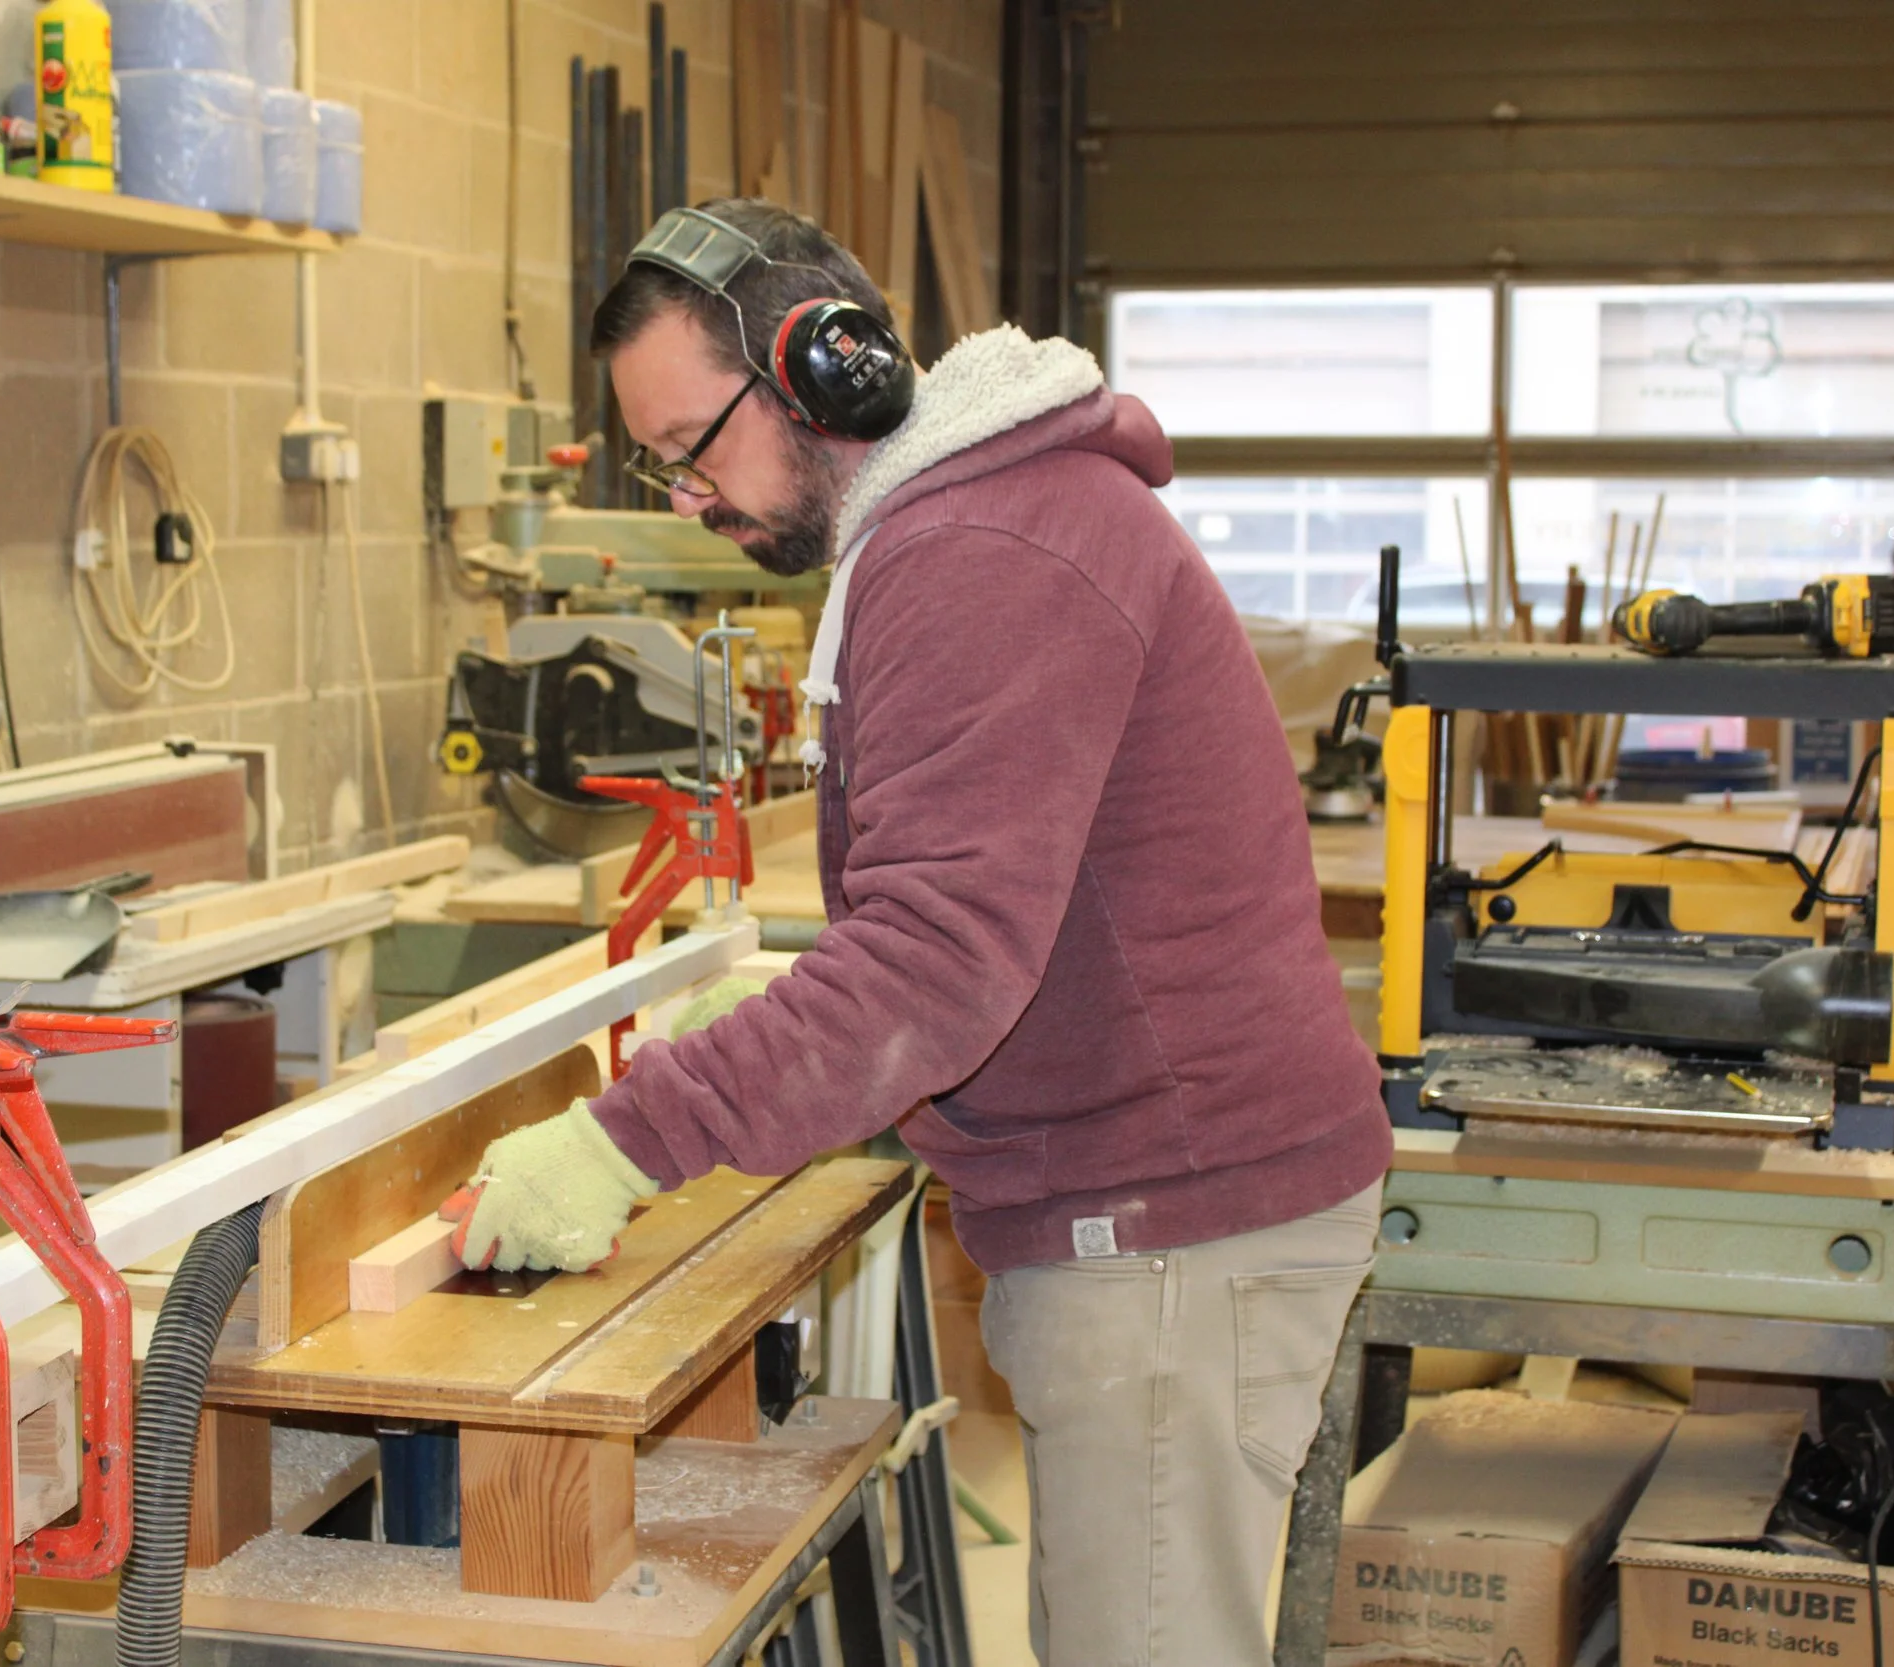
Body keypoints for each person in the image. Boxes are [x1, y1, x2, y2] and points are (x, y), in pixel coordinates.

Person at [439, 199, 1390, 1667]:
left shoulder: (982, 548)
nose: (685, 499)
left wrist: (629, 1138)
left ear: (830, 375)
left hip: (1171, 1224)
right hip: (1159, 1202)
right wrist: (771, 1030)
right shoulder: (972, 522)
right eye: (658, 462)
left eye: (694, 448)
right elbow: (963, 908)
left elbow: (939, 963)